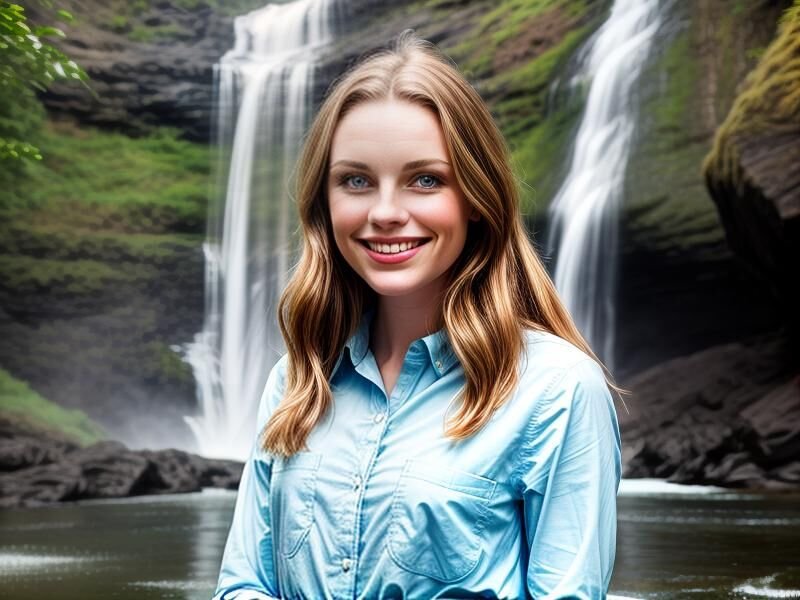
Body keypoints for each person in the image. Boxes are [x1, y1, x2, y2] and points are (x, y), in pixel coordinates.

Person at [213, 28, 623, 600]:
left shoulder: (556, 391)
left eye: (425, 180)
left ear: (477, 199)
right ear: (323, 203)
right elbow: (244, 586)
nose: (385, 212)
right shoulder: (295, 383)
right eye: (355, 181)